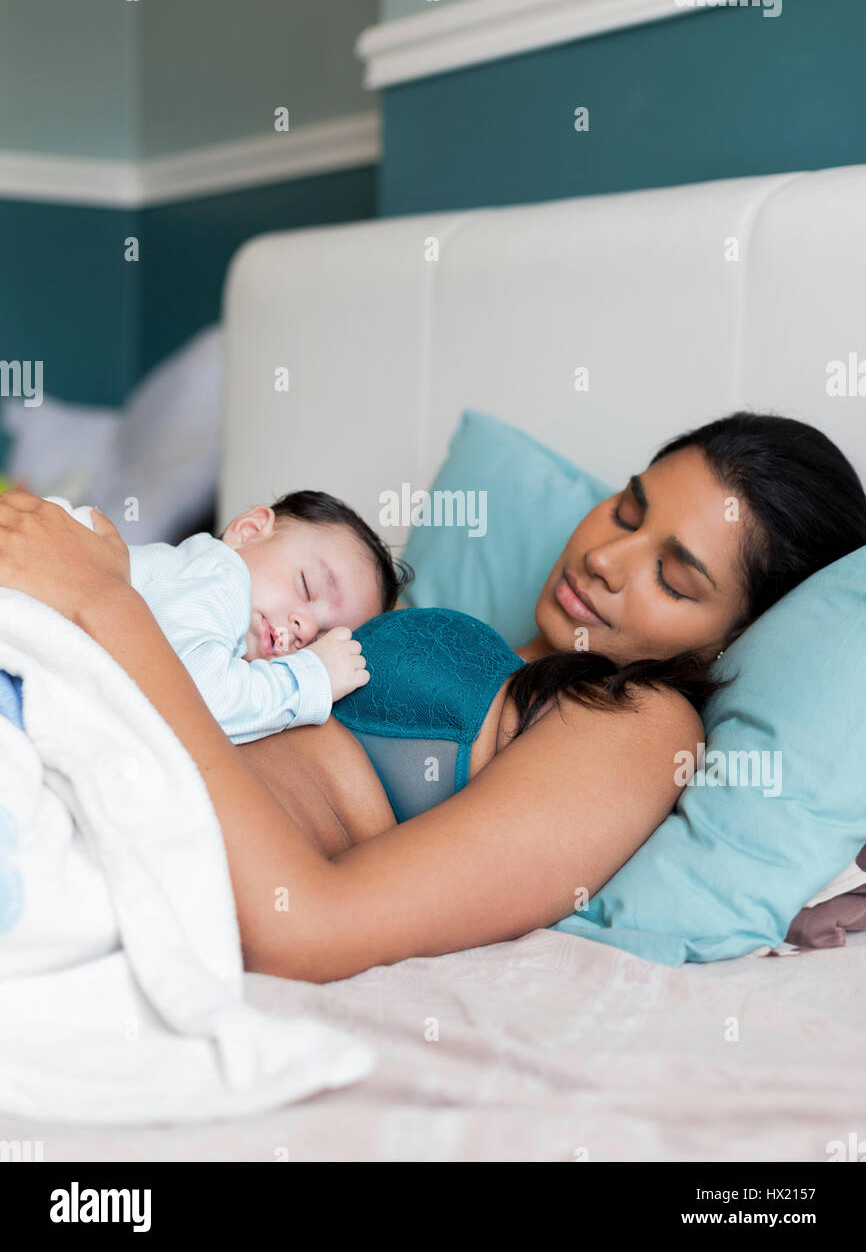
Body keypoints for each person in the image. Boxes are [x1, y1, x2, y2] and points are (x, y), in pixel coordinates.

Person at [1, 413, 864, 983]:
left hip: (111, 832)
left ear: (728, 637)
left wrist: (108, 604)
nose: (607, 558)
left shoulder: (637, 728)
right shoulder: (392, 609)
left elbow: (310, 927)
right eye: (627, 510)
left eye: (673, 578)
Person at [46, 489, 410, 743]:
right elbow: (194, 703)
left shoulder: (217, 625)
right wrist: (312, 677)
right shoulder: (222, 573)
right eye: (306, 586)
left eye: (321, 641)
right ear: (248, 532)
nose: (306, 627)